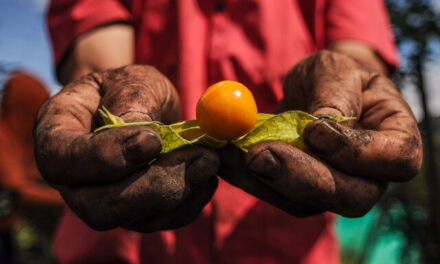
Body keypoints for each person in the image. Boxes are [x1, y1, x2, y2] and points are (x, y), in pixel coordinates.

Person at [37, 0, 423, 263]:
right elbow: (99, 64)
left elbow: (356, 59)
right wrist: (123, 105)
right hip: (124, 249)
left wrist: (345, 91)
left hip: (289, 251)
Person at [0, 72, 64, 263]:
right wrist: (67, 200)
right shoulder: (3, 137)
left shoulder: (17, 138)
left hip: (7, 227)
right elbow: (17, 187)